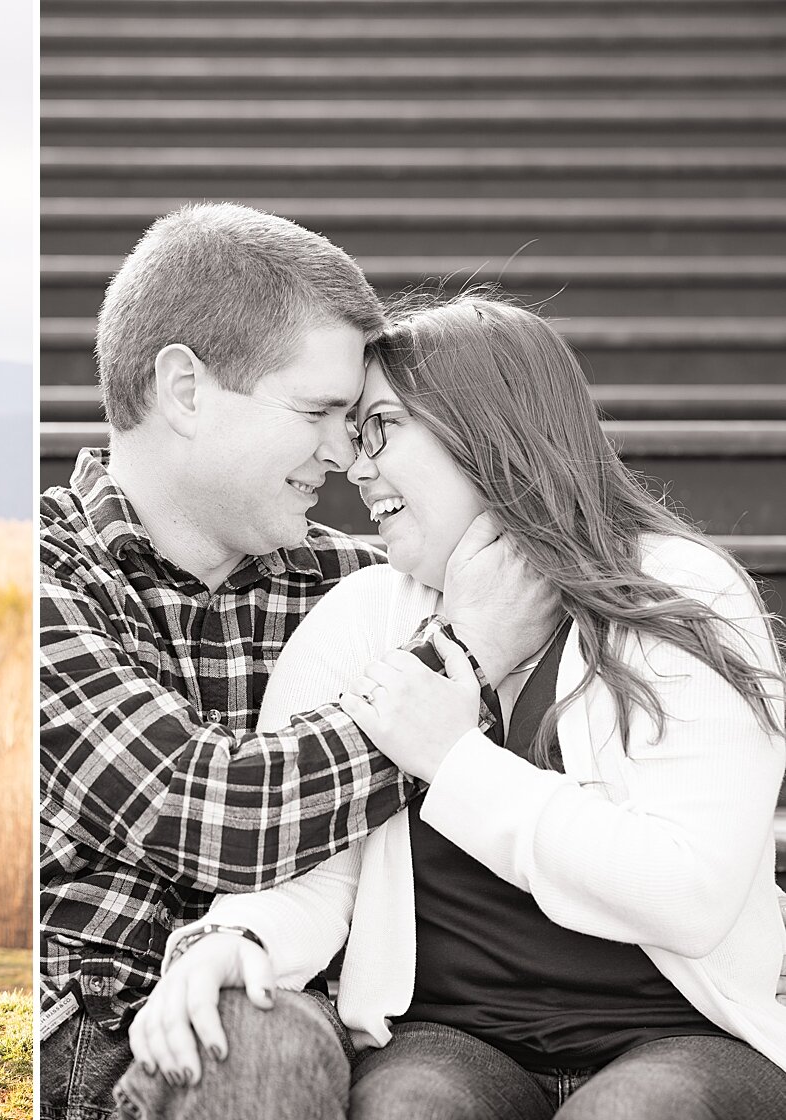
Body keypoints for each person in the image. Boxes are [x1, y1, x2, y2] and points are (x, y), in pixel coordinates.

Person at [125, 296, 786, 1119]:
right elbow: (311, 876)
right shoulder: (363, 618)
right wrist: (230, 941)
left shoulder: (680, 595)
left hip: (685, 1035)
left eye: (379, 428)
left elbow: (689, 893)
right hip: (451, 1037)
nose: (352, 466)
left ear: (485, 430)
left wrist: (454, 761)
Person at [39, 205, 559, 1119]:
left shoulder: (360, 587)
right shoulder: (39, 575)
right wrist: (465, 660)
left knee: (258, 1044)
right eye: (319, 412)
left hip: (280, 1009)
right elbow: (203, 806)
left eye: (360, 422)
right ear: (186, 391)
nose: (345, 455)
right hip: (78, 1031)